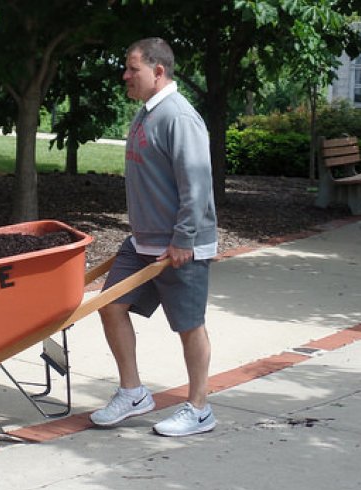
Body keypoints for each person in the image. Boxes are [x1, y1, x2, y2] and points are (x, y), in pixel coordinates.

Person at [89, 37, 218, 437]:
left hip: (180, 246)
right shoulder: (146, 114)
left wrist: (182, 239)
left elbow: (196, 185)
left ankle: (199, 408)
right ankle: (133, 393)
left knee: (188, 325)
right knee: (109, 306)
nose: (125, 75)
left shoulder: (179, 117)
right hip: (142, 242)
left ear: (158, 71)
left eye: (132, 68)